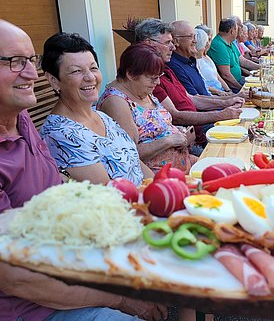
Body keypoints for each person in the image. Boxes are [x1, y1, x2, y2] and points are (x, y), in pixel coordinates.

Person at [0, 19, 166, 321]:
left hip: (72, 257)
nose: (29, 73)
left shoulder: (22, 120)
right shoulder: (60, 130)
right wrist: (121, 299)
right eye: (13, 61)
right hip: (34, 305)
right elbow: (15, 278)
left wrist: (169, 191)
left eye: (30, 61)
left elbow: (131, 163)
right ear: (55, 82)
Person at [39, 32, 153, 185]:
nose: (90, 77)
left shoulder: (102, 116)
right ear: (54, 80)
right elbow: (109, 193)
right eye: (76, 71)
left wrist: (163, 186)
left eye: (93, 68)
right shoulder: (60, 134)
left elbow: (136, 163)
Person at [135, 18, 243, 153]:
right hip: (189, 141)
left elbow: (191, 98)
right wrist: (222, 113)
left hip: (193, 136)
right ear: (149, 44)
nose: (172, 47)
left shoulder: (166, 69)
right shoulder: (149, 78)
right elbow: (176, 115)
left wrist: (228, 101)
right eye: (168, 42)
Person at [96, 43, 196, 172]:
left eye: (159, 77)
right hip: (157, 179)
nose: (158, 82)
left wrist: (178, 133)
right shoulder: (116, 102)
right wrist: (169, 140)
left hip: (182, 166)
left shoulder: (141, 89)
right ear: (131, 74)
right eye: (153, 78)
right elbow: (130, 152)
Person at [195, 27, 235, 96]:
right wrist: (221, 92)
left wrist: (228, 91)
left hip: (221, 90)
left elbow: (218, 77)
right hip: (213, 94)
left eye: (210, 40)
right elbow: (202, 85)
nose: (208, 43)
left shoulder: (207, 57)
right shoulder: (197, 60)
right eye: (206, 40)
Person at [208, 17, 244, 92]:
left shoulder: (230, 43)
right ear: (232, 31)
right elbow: (226, 75)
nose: (238, 32)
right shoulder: (219, 46)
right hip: (231, 87)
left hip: (239, 80)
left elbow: (243, 61)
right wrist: (242, 88)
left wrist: (260, 67)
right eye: (237, 30)